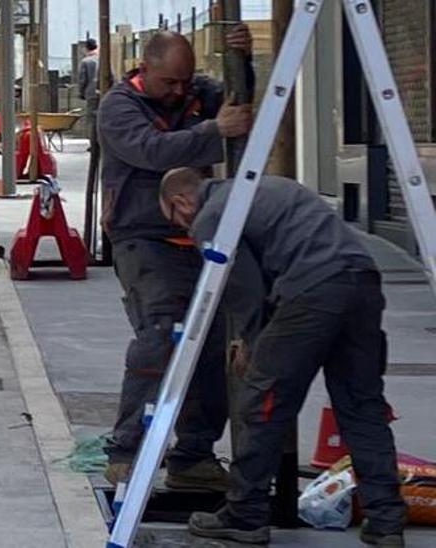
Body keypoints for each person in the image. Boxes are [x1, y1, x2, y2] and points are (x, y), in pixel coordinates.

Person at [160, 168, 407, 547]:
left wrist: (249, 339)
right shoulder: (268, 186)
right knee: (362, 406)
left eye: (176, 219)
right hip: (362, 281)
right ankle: (386, 520)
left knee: (263, 403)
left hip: (310, 292)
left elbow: (241, 285)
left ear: (180, 202)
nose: (183, 226)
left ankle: (245, 515)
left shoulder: (211, 215)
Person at [96, 28, 255, 490]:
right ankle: (127, 448)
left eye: (185, 81)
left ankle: (193, 455)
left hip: (199, 233)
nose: (180, 91)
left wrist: (239, 62)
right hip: (142, 237)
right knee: (161, 335)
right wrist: (213, 132)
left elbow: (237, 105)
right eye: (170, 83)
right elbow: (151, 152)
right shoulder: (119, 106)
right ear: (144, 70)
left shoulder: (197, 95)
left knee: (210, 346)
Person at [77, 39, 100, 146]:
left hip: (91, 93)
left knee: (92, 119)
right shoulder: (103, 59)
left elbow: (82, 79)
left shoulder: (85, 61)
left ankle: (93, 143)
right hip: (104, 93)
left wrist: (81, 93)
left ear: (86, 48)